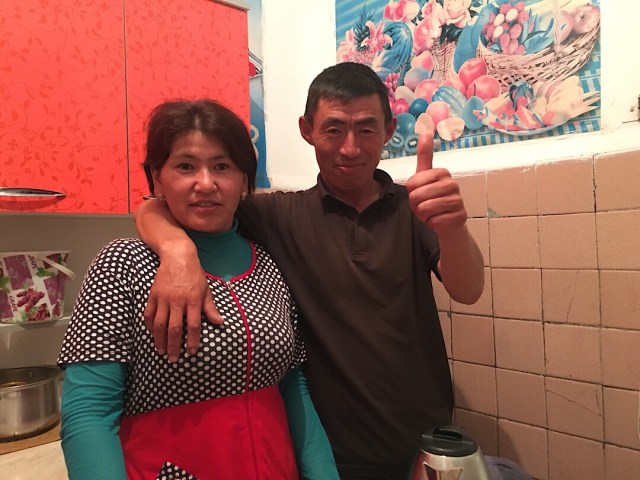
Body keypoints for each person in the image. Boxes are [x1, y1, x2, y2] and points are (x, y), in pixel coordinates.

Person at [135, 63, 530, 480]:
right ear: (307, 130)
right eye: (334, 129)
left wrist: (452, 227)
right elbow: (157, 206)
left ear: (389, 130)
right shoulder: (279, 215)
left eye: (366, 129)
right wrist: (176, 249)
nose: (350, 148)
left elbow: (468, 289)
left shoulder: (411, 207)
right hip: (327, 454)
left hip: (424, 444)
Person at [57, 99, 338, 480]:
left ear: (244, 180)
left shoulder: (269, 265)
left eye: (222, 166)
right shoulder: (122, 265)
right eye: (185, 166)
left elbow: (292, 385)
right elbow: (88, 413)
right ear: (157, 177)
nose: (205, 184)